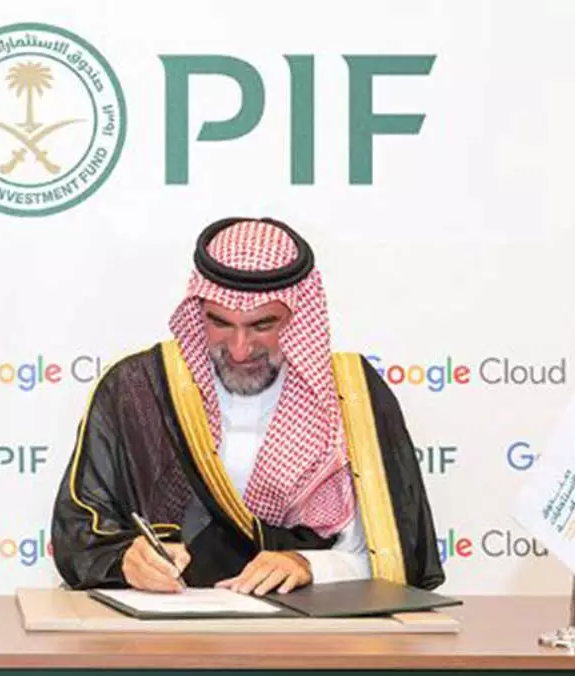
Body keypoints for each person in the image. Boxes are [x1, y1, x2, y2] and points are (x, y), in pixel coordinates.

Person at [52, 217, 443, 594]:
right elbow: (80, 534)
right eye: (220, 323)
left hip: (306, 629)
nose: (240, 350)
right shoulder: (137, 390)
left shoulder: (351, 397)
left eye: (263, 325)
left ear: (298, 316)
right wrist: (125, 560)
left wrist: (310, 565)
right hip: (161, 627)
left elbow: (392, 557)